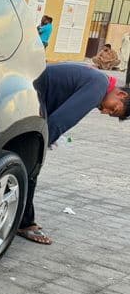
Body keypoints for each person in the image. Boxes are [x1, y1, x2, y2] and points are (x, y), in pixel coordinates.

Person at [17, 63, 129, 245]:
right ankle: (25, 223)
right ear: (121, 95)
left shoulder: (98, 80)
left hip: (31, 89)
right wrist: (41, 144)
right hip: (32, 91)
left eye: (110, 114)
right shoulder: (98, 88)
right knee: (30, 166)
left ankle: (22, 220)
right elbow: (61, 120)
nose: (105, 112)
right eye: (113, 109)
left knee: (25, 162)